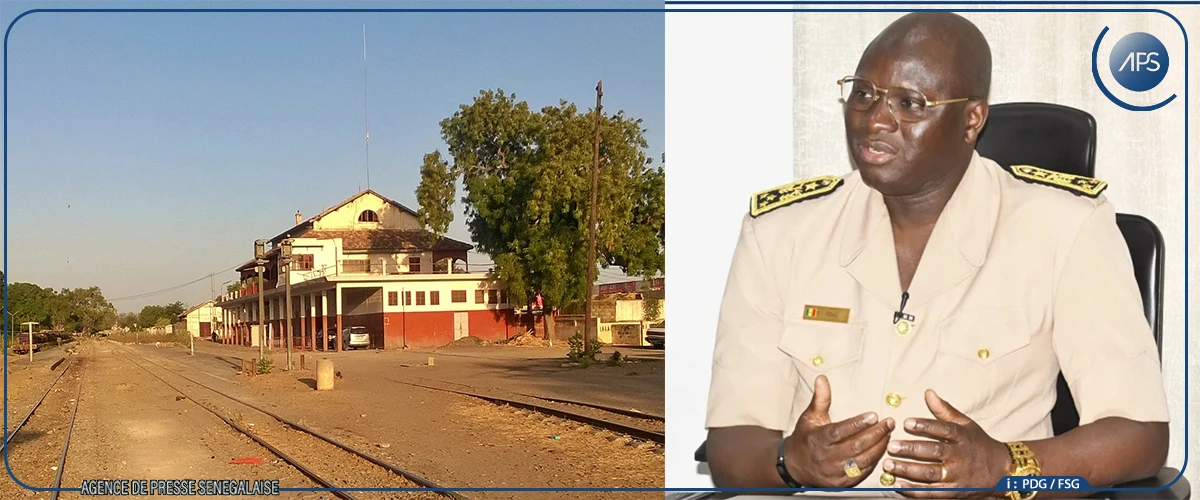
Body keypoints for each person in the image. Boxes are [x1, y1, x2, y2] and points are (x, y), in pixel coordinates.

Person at [704, 12, 1170, 498]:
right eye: (863, 93)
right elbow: (732, 444)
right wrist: (790, 460)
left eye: (910, 103)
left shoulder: (1065, 228)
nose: (875, 119)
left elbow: (1138, 435)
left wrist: (1005, 466)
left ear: (971, 120)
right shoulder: (780, 232)